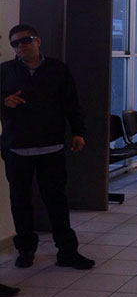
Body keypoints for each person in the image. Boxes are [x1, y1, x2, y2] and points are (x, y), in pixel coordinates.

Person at [0, 24, 94, 270]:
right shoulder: (5, 71)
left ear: (38, 41)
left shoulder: (57, 69)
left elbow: (71, 103)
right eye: (15, 43)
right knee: (20, 202)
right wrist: (5, 103)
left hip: (50, 146)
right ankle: (25, 250)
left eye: (26, 40)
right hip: (17, 148)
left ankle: (67, 251)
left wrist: (78, 131)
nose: (21, 46)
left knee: (56, 201)